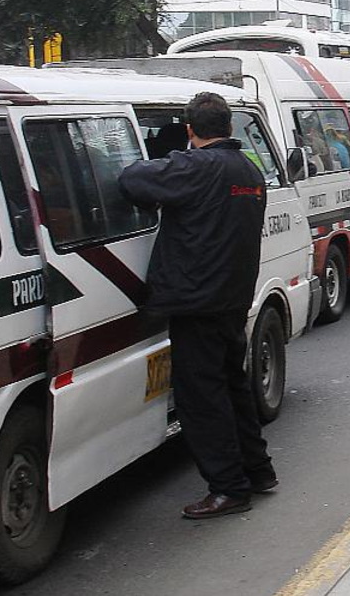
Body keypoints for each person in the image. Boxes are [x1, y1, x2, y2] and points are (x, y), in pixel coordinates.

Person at [118, 92, 277, 520]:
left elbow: (132, 180)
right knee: (233, 387)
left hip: (196, 302)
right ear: (228, 127)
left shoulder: (194, 166)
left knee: (202, 399)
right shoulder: (249, 170)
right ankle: (258, 471)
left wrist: (164, 157)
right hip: (232, 298)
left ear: (191, 131)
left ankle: (228, 489)